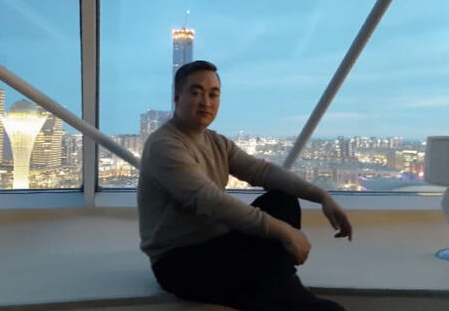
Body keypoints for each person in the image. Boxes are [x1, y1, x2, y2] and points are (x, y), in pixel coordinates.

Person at [138, 60, 353, 311]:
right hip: (180, 261)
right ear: (177, 97)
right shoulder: (164, 145)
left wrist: (322, 196)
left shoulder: (216, 142)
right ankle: (280, 292)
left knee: (282, 199)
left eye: (213, 94)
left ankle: (276, 290)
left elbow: (262, 171)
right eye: (196, 92)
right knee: (275, 249)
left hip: (219, 244)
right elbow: (210, 201)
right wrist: (285, 232)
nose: (205, 102)